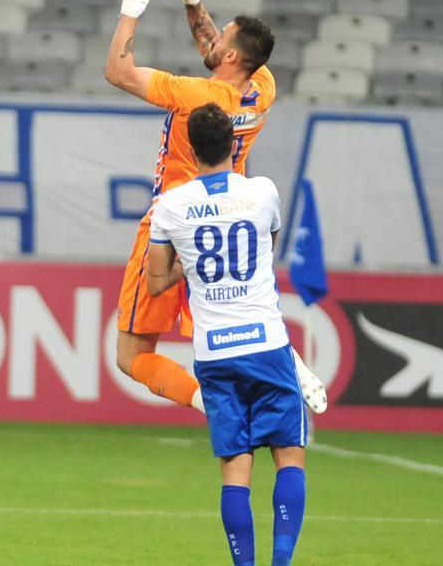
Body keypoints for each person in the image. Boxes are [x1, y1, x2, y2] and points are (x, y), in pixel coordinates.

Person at [105, 0, 327, 415]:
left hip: (175, 223)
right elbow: (214, 49)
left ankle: (206, 402)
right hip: (228, 218)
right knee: (238, 319)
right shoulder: (262, 85)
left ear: (232, 57)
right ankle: (287, 358)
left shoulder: (195, 97)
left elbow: (119, 73)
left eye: (223, 35)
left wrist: (133, 1)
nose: (215, 36)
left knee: (132, 355)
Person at [146, 103, 308, 566]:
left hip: (214, 352)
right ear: (234, 144)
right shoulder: (262, 192)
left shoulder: (172, 206)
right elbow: (265, 249)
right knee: (289, 457)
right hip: (266, 343)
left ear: (191, 149)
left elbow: (156, 282)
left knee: (235, 472)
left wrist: (187, 263)